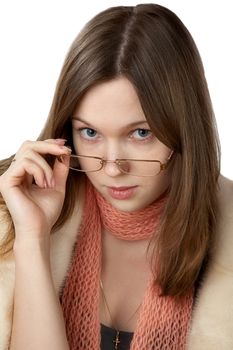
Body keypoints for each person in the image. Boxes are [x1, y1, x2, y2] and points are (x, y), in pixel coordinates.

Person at [0, 3, 233, 350]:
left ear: (184, 128)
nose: (112, 168)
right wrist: (33, 239)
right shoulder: (13, 215)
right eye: (90, 133)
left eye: (140, 134)